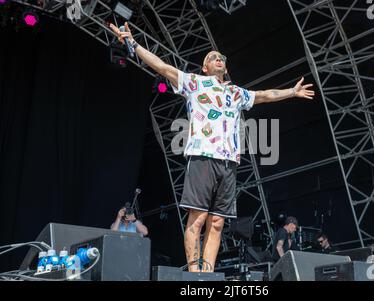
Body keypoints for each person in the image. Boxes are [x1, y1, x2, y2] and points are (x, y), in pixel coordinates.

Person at [109, 22, 315, 272]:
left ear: (225, 67)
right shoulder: (195, 83)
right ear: (205, 67)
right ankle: (195, 275)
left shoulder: (236, 93)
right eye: (212, 57)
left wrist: (291, 92)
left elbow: (264, 95)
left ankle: (207, 275)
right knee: (197, 220)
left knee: (217, 223)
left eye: (221, 58)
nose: (218, 59)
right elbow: (161, 66)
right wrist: (132, 42)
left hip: (229, 162)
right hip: (203, 156)